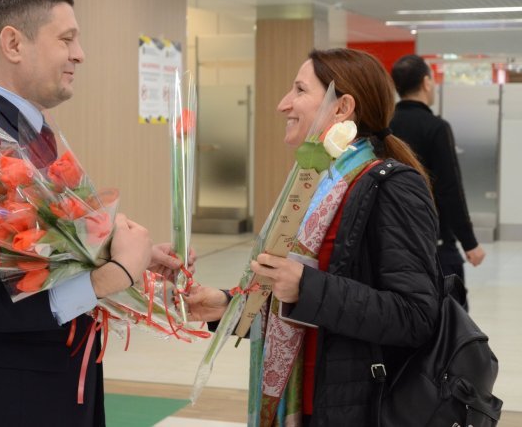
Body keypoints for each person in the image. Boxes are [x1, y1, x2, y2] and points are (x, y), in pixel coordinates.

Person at [0, 0, 186, 427]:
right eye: (66, 39)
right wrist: (115, 273)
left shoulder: (25, 131)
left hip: (38, 388)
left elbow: (42, 258)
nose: (79, 54)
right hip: (3, 399)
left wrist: (127, 259)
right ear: (13, 44)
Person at [186, 48, 440, 427]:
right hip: (306, 405)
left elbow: (416, 315)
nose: (282, 104)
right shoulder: (314, 183)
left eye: (299, 90)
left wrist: (308, 287)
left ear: (343, 108)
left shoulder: (391, 187)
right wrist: (228, 306)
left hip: (356, 408)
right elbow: (286, 296)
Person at [390, 54, 485, 309]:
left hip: (392, 239)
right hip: (435, 240)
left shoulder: (385, 127)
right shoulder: (436, 128)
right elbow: (449, 188)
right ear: (426, 82)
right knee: (452, 319)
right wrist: (470, 242)